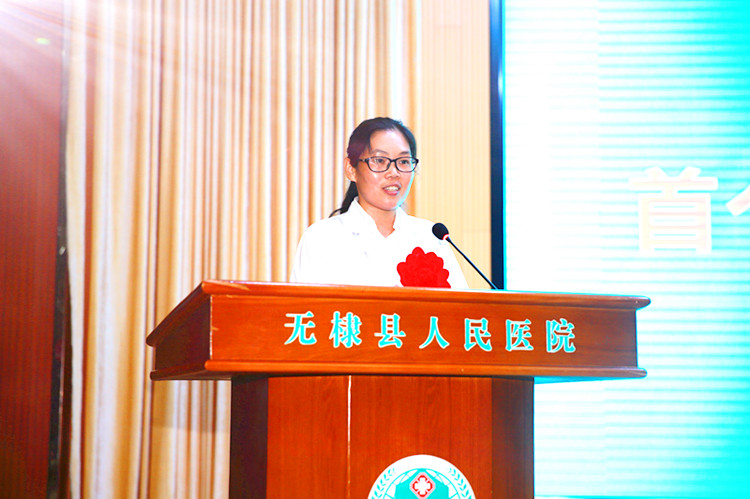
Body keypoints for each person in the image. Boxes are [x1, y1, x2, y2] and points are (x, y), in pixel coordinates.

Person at [290, 117, 468, 288]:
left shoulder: (432, 238)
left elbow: (460, 306)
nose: (394, 172)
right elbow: (305, 307)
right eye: (380, 160)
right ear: (351, 169)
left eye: (404, 161)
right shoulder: (321, 238)